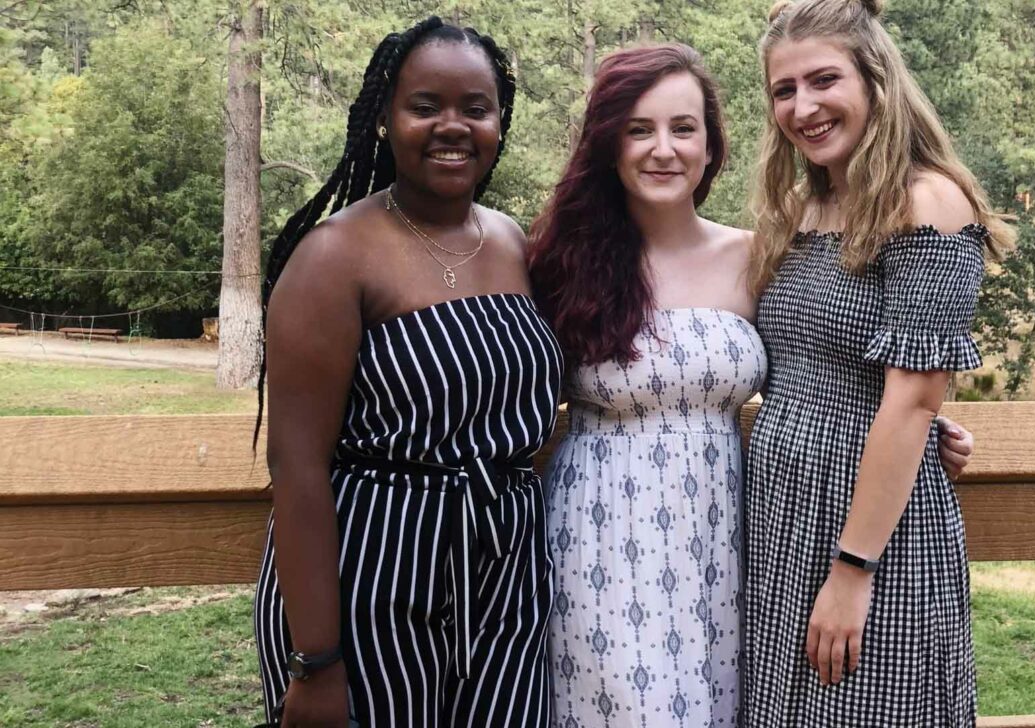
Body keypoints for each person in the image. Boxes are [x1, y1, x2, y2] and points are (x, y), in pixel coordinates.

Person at [529, 43, 977, 727]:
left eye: (684, 128)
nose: (663, 149)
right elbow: (505, 386)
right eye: (637, 129)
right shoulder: (562, 262)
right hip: (604, 537)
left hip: (733, 540)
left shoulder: (758, 253)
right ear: (607, 146)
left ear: (712, 146)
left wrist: (926, 427)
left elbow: (828, 356)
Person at [252, 18, 561, 728]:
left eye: (475, 108)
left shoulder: (514, 241)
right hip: (371, 579)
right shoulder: (334, 257)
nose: (452, 126)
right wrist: (316, 660)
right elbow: (296, 466)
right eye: (426, 106)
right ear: (386, 119)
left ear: (499, 122)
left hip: (505, 575)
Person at [741, 0, 1015, 726]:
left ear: (876, 82)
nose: (804, 106)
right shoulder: (797, 209)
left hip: (871, 538)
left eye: (824, 80)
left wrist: (852, 573)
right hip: (781, 519)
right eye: (785, 89)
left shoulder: (927, 203)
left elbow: (909, 401)